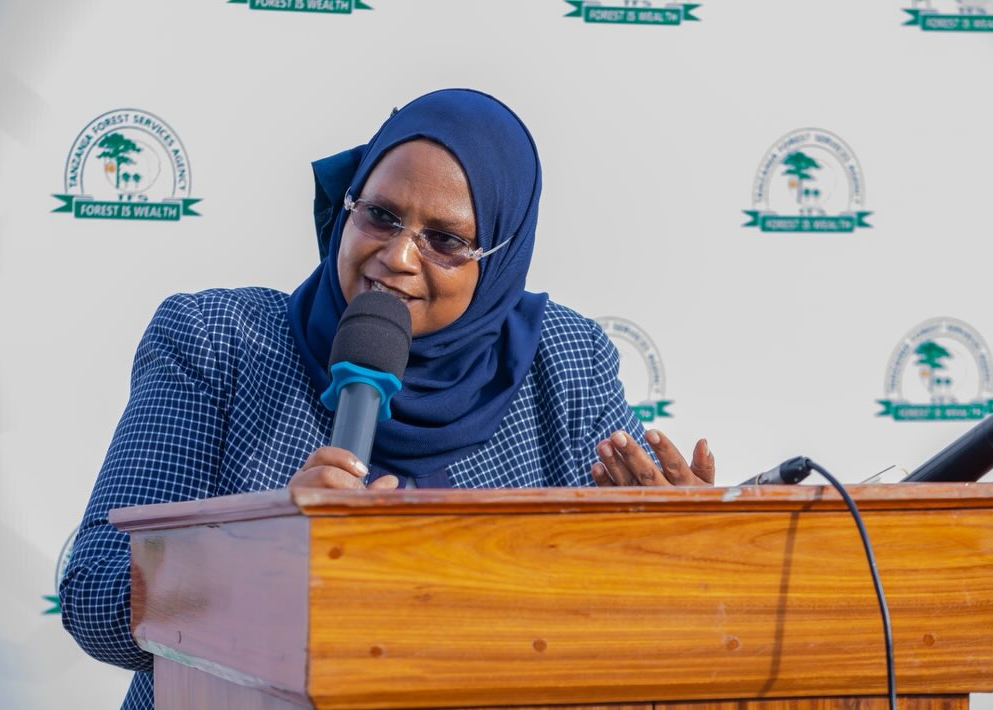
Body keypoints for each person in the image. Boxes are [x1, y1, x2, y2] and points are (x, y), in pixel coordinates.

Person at [59, 88, 715, 709]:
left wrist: (691, 551)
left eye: (445, 240)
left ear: (500, 258)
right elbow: (94, 595)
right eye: (380, 216)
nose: (397, 256)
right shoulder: (220, 342)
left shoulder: (563, 363)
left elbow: (629, 592)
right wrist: (258, 553)